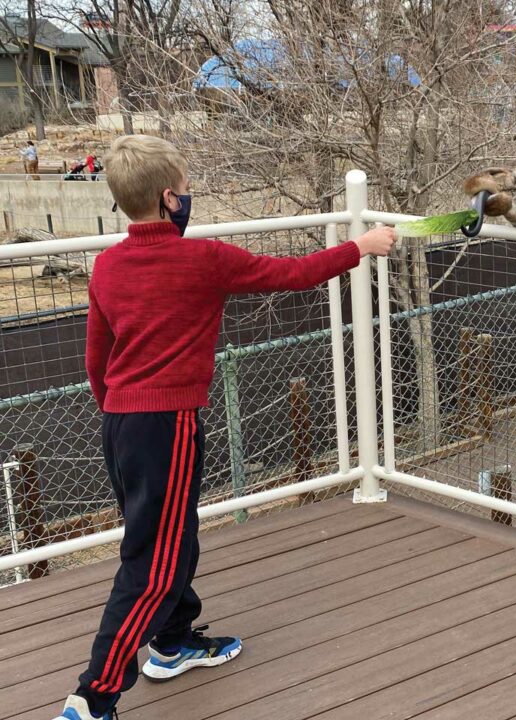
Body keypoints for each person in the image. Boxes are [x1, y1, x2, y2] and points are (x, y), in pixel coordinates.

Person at [53, 135, 396, 720]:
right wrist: (360, 245)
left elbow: (96, 357)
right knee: (152, 563)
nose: (189, 200)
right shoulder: (201, 259)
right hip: (166, 424)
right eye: (186, 192)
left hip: (120, 422)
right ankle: (93, 697)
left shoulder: (108, 266)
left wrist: (119, 411)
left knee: (170, 536)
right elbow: (295, 274)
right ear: (168, 199)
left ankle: (173, 641)